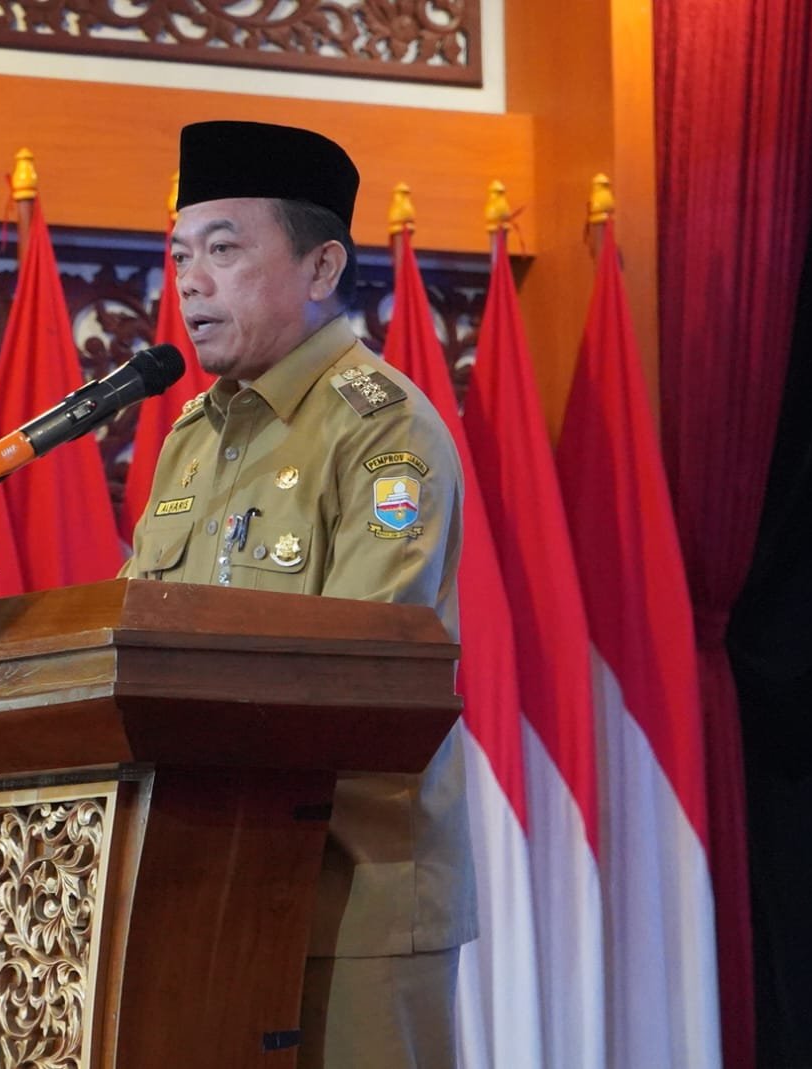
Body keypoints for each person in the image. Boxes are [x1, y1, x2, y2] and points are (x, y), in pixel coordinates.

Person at [124, 120, 476, 1067]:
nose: (190, 282)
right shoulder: (192, 438)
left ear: (322, 266)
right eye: (180, 255)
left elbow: (353, 669)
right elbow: (135, 642)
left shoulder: (383, 430)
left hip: (353, 891)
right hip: (207, 884)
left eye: (224, 250)